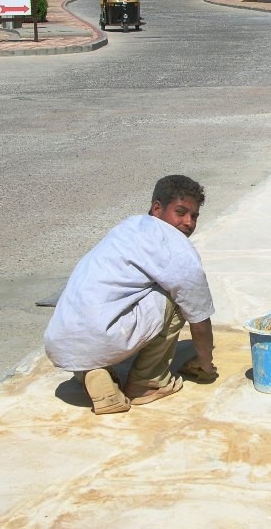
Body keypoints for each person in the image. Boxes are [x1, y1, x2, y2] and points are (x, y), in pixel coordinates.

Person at [44, 175, 217, 414]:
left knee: (110, 307)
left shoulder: (127, 227)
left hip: (60, 339)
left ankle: (92, 372)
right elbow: (199, 319)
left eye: (194, 215)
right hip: (102, 336)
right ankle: (148, 383)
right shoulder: (177, 251)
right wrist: (205, 365)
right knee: (178, 297)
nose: (188, 222)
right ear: (157, 208)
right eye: (181, 212)